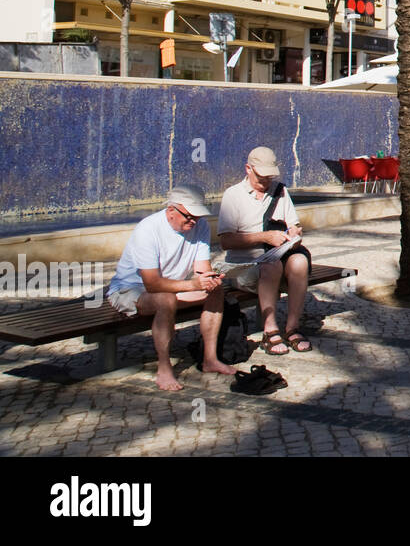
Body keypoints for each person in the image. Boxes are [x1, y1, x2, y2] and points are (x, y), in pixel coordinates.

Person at [105, 185, 235, 391]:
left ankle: (210, 359)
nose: (193, 221)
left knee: (215, 291)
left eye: (198, 216)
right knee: (166, 299)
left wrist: (209, 279)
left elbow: (202, 270)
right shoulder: (148, 229)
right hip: (130, 289)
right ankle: (164, 368)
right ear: (171, 210)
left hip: (171, 287)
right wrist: (192, 284)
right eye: (189, 216)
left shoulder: (199, 226)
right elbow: (152, 283)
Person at [217, 147, 313, 356]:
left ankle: (292, 327)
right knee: (270, 266)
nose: (266, 182)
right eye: (261, 177)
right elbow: (226, 241)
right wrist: (265, 237)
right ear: (248, 169)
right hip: (244, 266)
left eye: (269, 176)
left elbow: (293, 225)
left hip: (277, 258)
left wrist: (294, 236)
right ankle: (270, 331)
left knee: (299, 262)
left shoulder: (280, 191)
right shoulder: (233, 195)